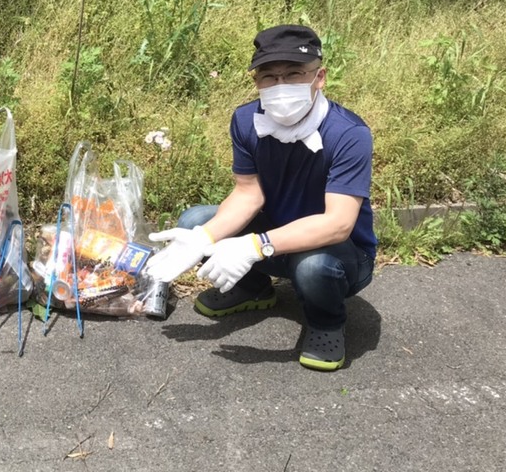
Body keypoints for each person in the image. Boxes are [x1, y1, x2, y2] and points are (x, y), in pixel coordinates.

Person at [145, 24, 375, 371]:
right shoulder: (245, 120)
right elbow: (247, 194)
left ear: (319, 77)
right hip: (275, 236)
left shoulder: (349, 134)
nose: (280, 85)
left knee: (313, 266)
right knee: (195, 222)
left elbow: (338, 224)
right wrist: (203, 238)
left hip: (340, 253)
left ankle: (326, 322)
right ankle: (253, 288)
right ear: (257, 82)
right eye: (269, 76)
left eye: (294, 74)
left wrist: (255, 246)